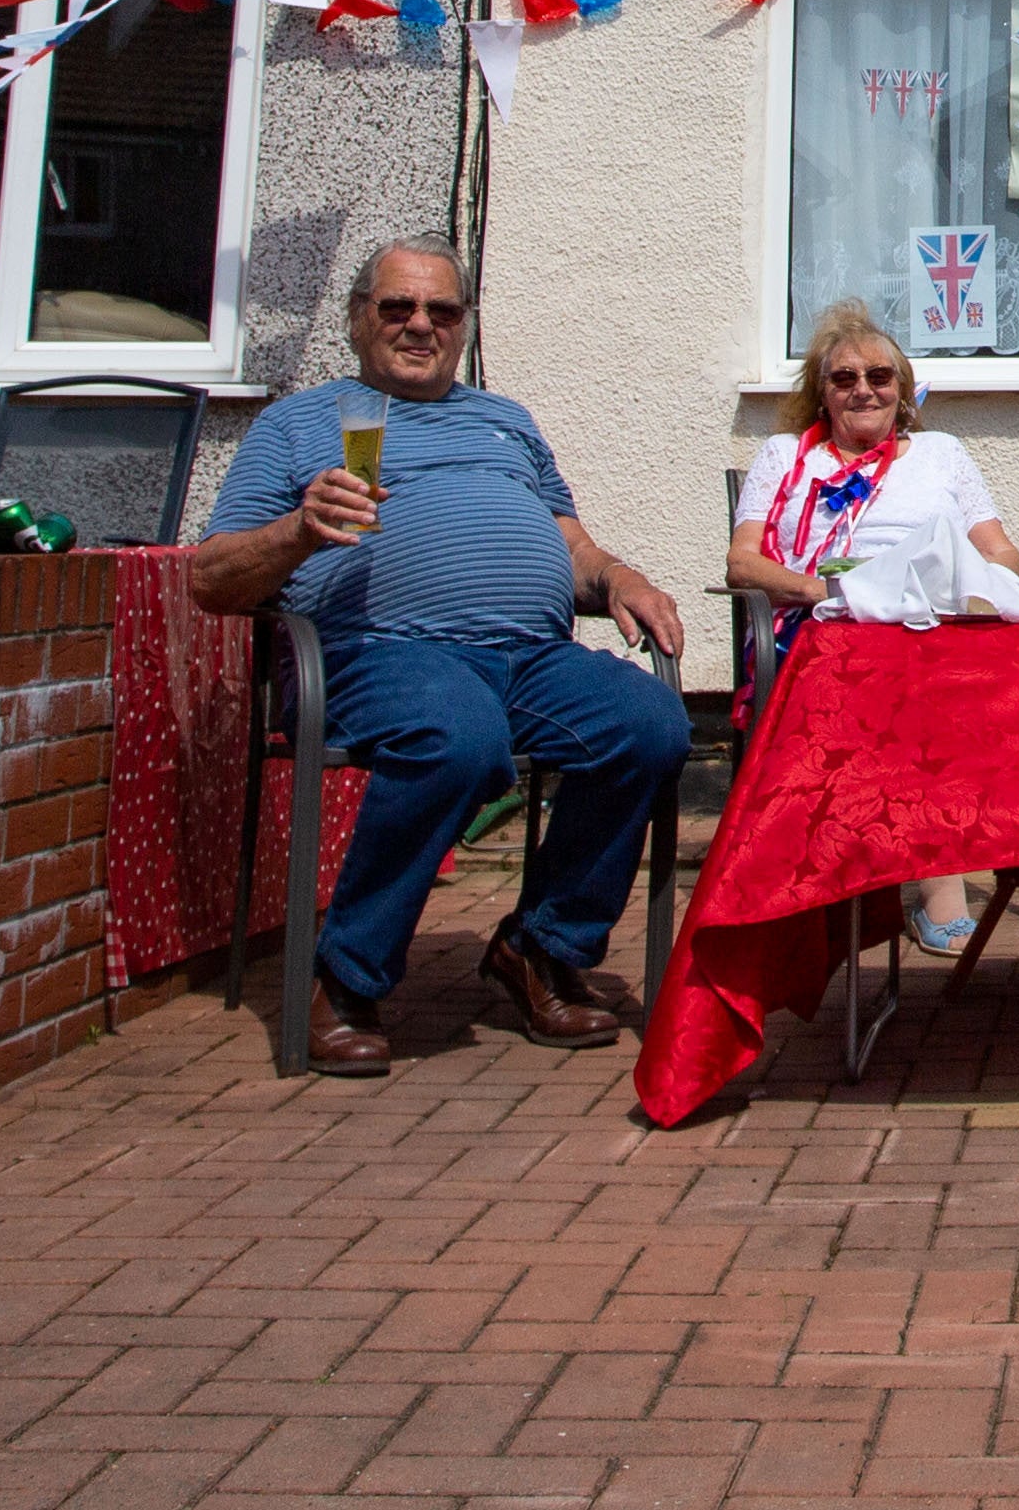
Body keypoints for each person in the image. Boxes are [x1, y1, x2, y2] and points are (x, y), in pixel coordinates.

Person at [191, 242, 689, 1075]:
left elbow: (572, 547)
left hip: (529, 655)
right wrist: (298, 530)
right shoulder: (299, 424)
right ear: (359, 320)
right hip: (375, 653)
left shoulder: (507, 421)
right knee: (457, 737)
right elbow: (210, 578)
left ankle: (540, 946)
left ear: (462, 327)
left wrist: (619, 574)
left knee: (650, 723)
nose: (420, 325)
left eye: (442, 312)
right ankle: (346, 975)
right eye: (398, 308)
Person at [727, 301, 1019, 954]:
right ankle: (933, 890)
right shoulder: (786, 456)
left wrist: (965, 585)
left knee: (941, 667)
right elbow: (742, 561)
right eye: (844, 379)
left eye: (880, 376)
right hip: (818, 628)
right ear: (821, 393)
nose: (864, 388)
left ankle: (935, 871)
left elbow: (1004, 553)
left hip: (924, 619)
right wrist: (830, 591)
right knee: (898, 679)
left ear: (904, 389)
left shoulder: (940, 454)